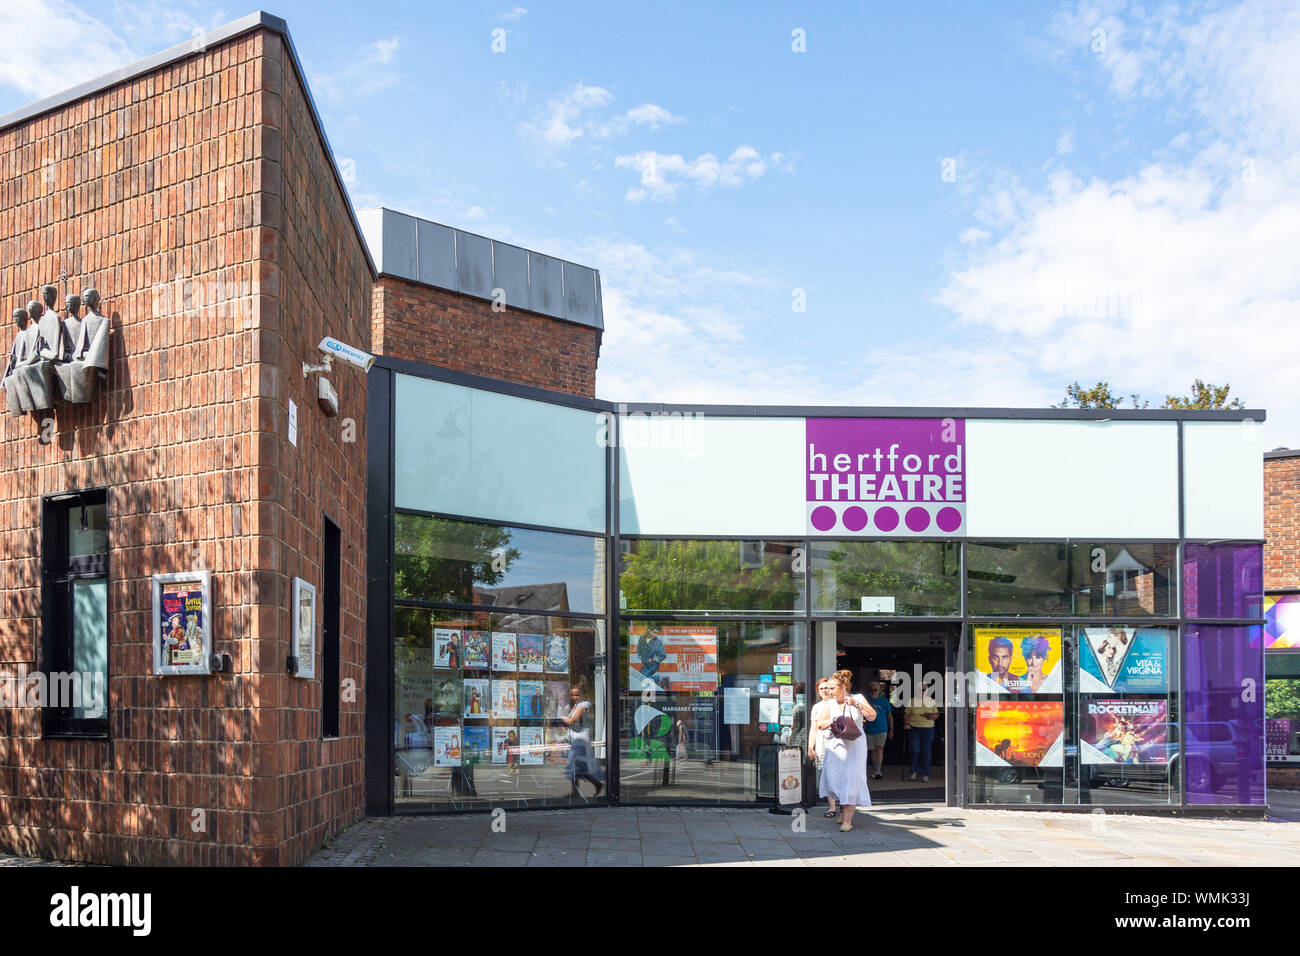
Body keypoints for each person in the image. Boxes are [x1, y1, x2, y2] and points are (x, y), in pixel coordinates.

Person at [814, 674, 874, 831]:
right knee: (835, 780)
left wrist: (856, 705)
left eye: (832, 688)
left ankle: (848, 821)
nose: (829, 691)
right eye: (828, 688)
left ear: (843, 687)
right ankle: (842, 809)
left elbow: (872, 716)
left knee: (852, 780)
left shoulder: (857, 698)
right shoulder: (830, 703)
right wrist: (833, 721)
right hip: (836, 746)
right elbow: (819, 723)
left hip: (855, 745)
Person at [558, 682, 604, 796]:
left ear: (582, 693)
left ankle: (594, 784)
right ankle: (580, 789)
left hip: (582, 739)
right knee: (575, 765)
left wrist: (559, 718)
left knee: (578, 764)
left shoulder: (585, 704)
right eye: (572, 695)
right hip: (575, 738)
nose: (574, 697)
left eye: (577, 695)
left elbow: (572, 720)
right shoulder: (575, 706)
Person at [807, 677, 835, 816]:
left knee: (838, 773)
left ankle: (843, 803)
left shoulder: (838, 703)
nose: (824, 690)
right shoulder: (816, 707)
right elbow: (813, 728)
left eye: (826, 688)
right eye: (821, 688)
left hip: (837, 741)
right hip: (822, 743)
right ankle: (832, 807)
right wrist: (810, 747)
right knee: (826, 774)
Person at [903, 687, 940, 782]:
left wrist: (933, 716)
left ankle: (925, 774)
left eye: (924, 689)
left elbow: (936, 714)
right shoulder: (912, 701)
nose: (922, 691)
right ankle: (913, 771)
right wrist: (907, 723)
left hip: (928, 728)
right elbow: (907, 713)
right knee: (914, 750)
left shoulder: (931, 701)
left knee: (926, 751)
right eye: (920, 689)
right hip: (914, 728)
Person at [862, 679, 894, 779]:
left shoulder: (884, 701)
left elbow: (889, 716)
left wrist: (891, 729)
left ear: (878, 690)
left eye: (875, 690)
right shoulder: (865, 701)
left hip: (882, 729)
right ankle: (876, 770)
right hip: (869, 729)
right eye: (871, 690)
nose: (873, 692)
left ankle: (877, 771)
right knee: (872, 750)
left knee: (879, 749)